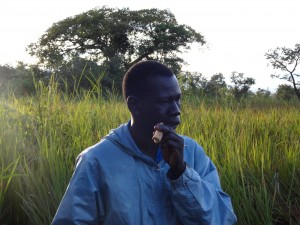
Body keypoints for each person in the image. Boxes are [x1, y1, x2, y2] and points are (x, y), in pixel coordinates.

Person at [51, 60, 237, 225]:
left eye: (178, 99)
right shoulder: (96, 161)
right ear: (134, 105)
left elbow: (222, 218)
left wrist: (181, 173)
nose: (176, 110)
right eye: (165, 101)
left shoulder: (192, 152)